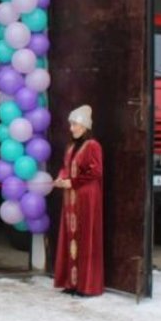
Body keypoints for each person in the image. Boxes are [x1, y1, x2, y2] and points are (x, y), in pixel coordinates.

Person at [53, 105, 105, 297]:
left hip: (86, 196)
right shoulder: (71, 147)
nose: (71, 128)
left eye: (74, 124)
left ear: (84, 126)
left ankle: (87, 285)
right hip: (71, 198)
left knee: (85, 237)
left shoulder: (92, 146)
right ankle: (72, 282)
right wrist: (61, 178)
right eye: (71, 124)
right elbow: (66, 167)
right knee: (71, 237)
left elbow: (95, 172)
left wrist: (72, 182)